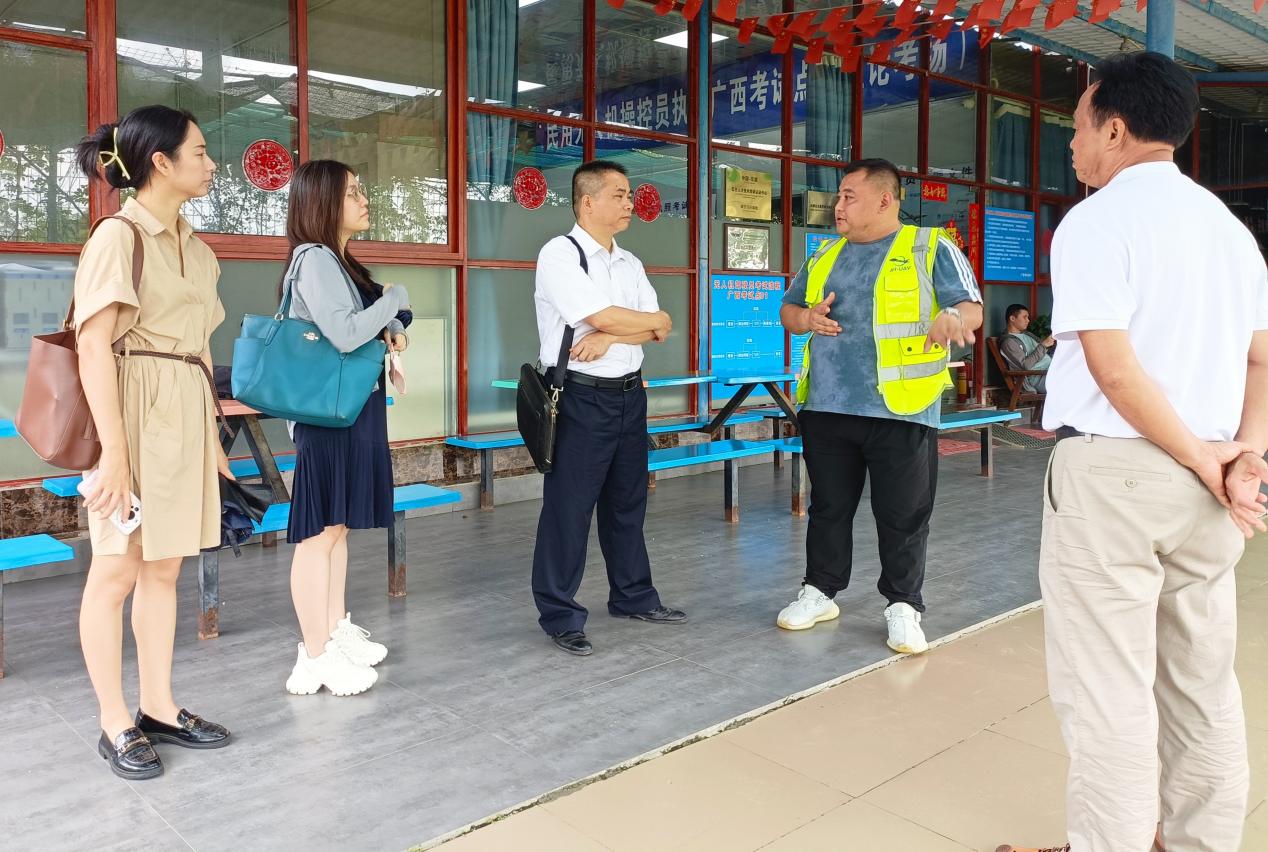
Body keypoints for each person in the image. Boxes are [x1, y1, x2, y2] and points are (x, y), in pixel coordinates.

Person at [996, 52, 1268, 852]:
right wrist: (1241, 459)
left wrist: (1208, 459)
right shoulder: (1232, 234)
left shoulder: (1098, 221)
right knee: (1201, 685)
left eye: (1078, 126)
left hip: (1118, 475)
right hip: (1209, 489)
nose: (1072, 144)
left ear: (1115, 130)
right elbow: (1262, 362)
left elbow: (1114, 373)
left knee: (1106, 691)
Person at [73, 105, 232, 780]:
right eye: (199, 152)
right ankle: (114, 720)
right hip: (132, 412)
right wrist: (114, 454)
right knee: (116, 571)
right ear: (160, 163)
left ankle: (159, 707)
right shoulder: (119, 236)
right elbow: (92, 347)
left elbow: (199, 348)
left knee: (164, 567)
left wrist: (213, 437)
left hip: (184, 411)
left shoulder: (197, 248)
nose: (211, 164)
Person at [776, 158, 983, 654]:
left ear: (885, 200)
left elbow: (971, 306)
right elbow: (788, 309)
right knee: (829, 508)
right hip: (828, 404)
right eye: (839, 196)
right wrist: (806, 319)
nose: (838, 205)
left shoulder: (930, 246)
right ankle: (820, 590)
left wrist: (954, 317)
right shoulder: (825, 254)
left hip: (901, 408)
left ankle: (904, 605)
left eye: (849, 196)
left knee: (903, 515)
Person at [530, 159, 685, 657]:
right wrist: (616, 324)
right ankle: (560, 614)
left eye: (629, 195)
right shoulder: (561, 254)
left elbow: (662, 326)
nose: (629, 203)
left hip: (629, 395)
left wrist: (610, 333)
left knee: (627, 502)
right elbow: (602, 314)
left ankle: (633, 596)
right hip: (580, 396)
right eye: (619, 195)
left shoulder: (630, 262)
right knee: (569, 508)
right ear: (587, 201)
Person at [280, 160, 412, 696]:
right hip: (327, 416)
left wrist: (393, 320)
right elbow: (345, 332)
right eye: (352, 191)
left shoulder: (340, 261)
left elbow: (375, 320)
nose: (363, 199)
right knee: (319, 535)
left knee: (336, 530)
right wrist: (394, 299)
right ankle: (313, 656)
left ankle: (333, 634)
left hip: (351, 409)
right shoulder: (314, 258)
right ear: (322, 201)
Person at [999, 303, 1054, 393]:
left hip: (1052, 371)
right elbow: (1026, 365)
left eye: (1028, 317)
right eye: (1024, 317)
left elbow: (1045, 349)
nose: (1028, 320)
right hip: (1039, 378)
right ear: (1012, 318)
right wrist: (1043, 345)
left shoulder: (1027, 335)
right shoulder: (1009, 342)